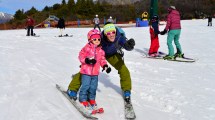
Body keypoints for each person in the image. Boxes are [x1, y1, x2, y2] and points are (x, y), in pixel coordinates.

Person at [67, 23, 135, 104]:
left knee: (123, 69)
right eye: (108, 33)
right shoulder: (100, 38)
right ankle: (72, 88)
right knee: (86, 71)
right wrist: (86, 60)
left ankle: (127, 90)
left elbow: (126, 45)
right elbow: (91, 45)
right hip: (99, 53)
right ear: (105, 33)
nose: (111, 35)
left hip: (112, 55)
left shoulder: (120, 37)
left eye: (113, 32)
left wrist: (129, 46)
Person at [78, 29, 111, 109]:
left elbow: (102, 60)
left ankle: (91, 99)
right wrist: (86, 60)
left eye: (99, 39)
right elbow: (80, 56)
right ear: (90, 39)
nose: (97, 41)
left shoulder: (101, 51)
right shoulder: (86, 48)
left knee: (93, 87)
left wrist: (105, 66)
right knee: (85, 86)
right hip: (86, 72)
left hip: (95, 73)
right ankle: (83, 99)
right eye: (94, 39)